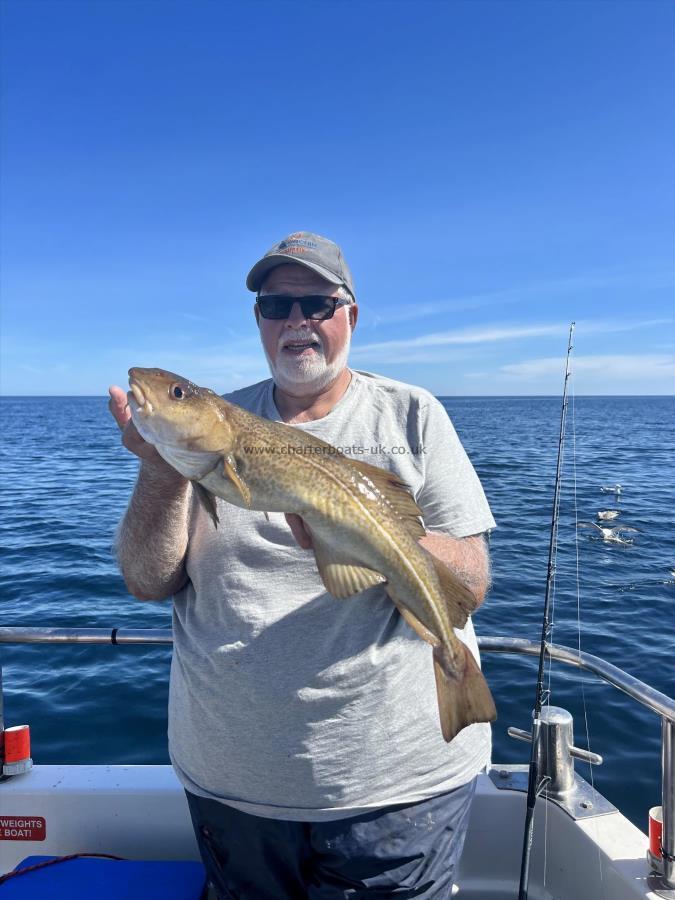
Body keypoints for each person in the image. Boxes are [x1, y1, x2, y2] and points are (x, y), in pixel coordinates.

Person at [109, 231, 496, 899]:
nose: (296, 323)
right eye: (273, 306)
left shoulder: (412, 415)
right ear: (258, 321)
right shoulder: (205, 444)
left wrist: (368, 537)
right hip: (233, 788)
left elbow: (471, 580)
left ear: (350, 314)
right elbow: (147, 582)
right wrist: (160, 469)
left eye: (316, 304)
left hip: (394, 792)